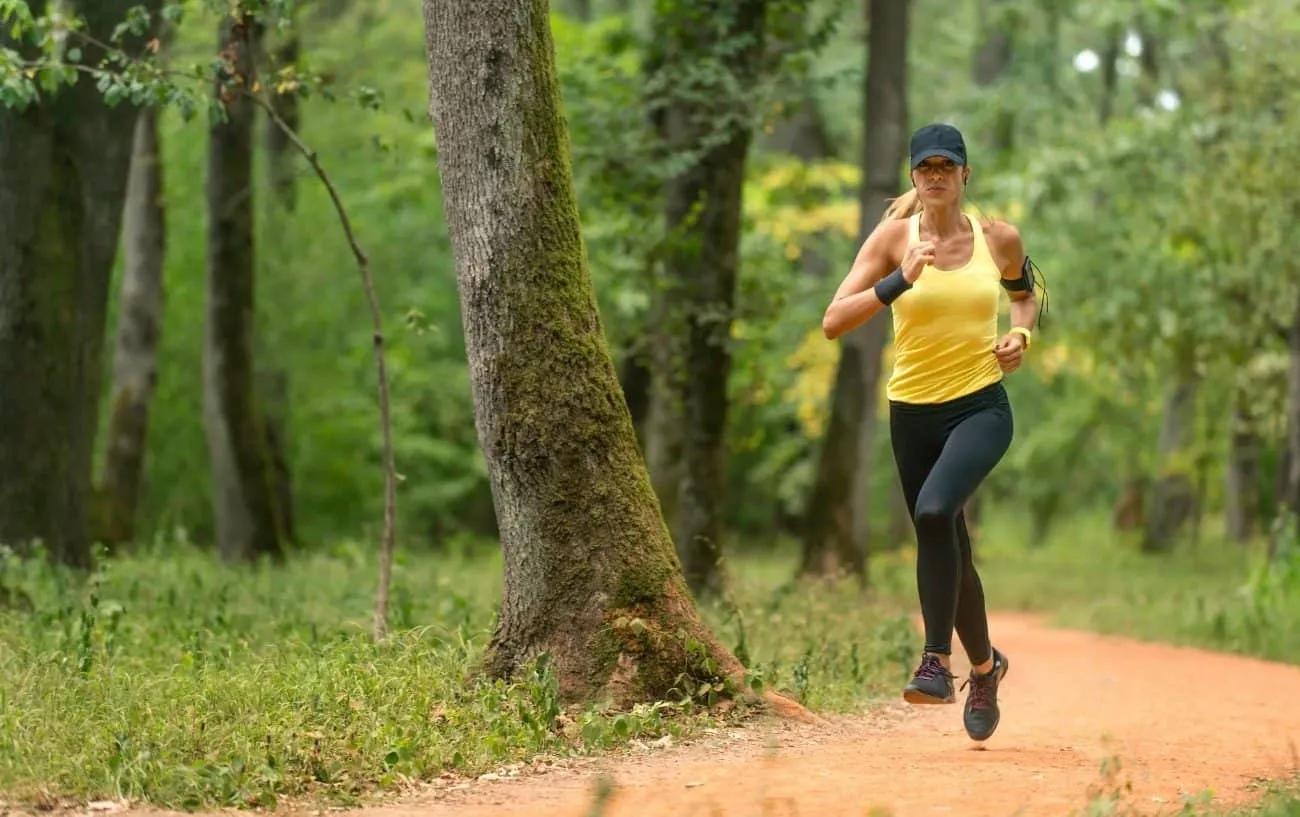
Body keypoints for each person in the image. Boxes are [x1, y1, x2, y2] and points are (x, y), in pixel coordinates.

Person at [820, 122, 1042, 743]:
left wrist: (1019, 335)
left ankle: (935, 662)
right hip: (911, 412)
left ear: (965, 175)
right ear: (914, 178)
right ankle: (986, 668)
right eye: (926, 167)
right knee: (950, 540)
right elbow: (834, 321)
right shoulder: (894, 240)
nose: (937, 175)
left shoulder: (998, 237)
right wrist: (898, 282)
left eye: (949, 166)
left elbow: (1026, 299)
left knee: (935, 509)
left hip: (979, 406)